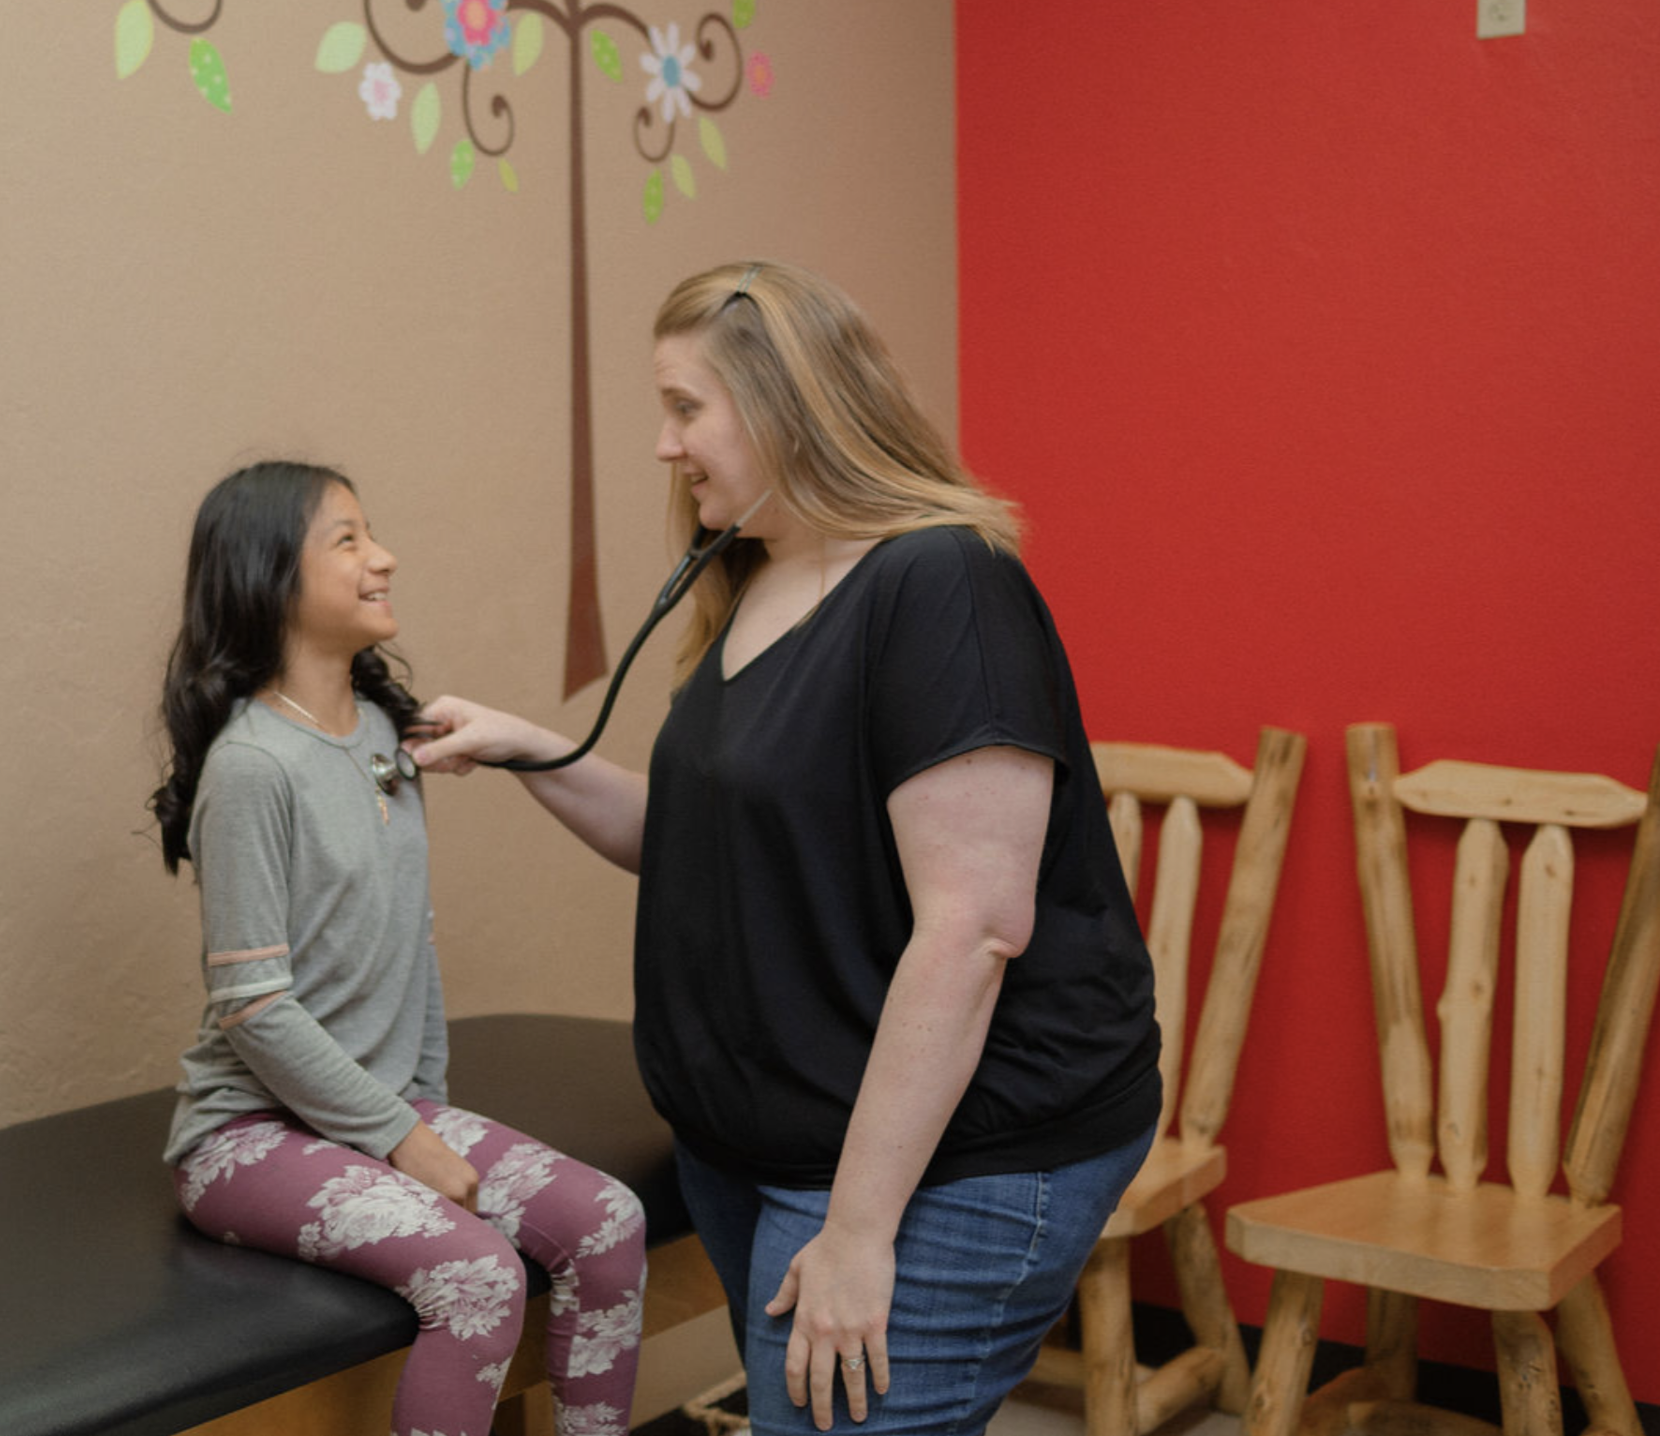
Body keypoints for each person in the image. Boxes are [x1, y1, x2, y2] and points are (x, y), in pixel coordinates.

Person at [411, 262, 1160, 1435]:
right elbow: (705, 847)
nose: (665, 444)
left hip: (953, 1160)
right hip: (763, 1142)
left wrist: (859, 1229)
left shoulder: (939, 582)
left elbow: (973, 927)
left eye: (684, 406)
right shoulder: (750, 577)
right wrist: (525, 748)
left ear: (783, 403)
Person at [152, 460, 648, 1436]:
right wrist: (402, 1138)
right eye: (347, 539)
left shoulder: (384, 735)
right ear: (270, 578)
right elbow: (254, 1005)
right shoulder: (251, 766)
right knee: (475, 1275)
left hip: (377, 1110)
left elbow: (408, 940)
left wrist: (423, 1105)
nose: (383, 556)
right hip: (246, 1137)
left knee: (608, 1225)